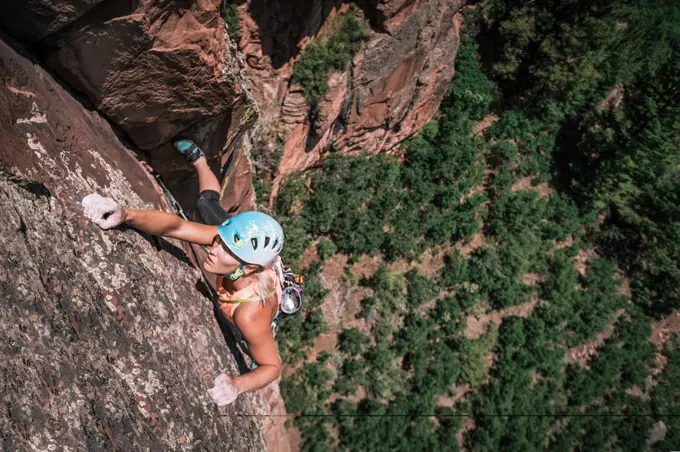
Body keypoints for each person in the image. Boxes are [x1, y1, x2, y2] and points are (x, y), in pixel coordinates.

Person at [82, 139, 285, 407]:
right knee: (205, 203)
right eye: (218, 240)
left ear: (247, 266)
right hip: (255, 262)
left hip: (257, 291)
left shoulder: (250, 315)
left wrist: (237, 385)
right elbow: (176, 228)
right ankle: (200, 159)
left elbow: (272, 366)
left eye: (225, 248)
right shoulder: (232, 246)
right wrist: (125, 214)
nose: (214, 247)